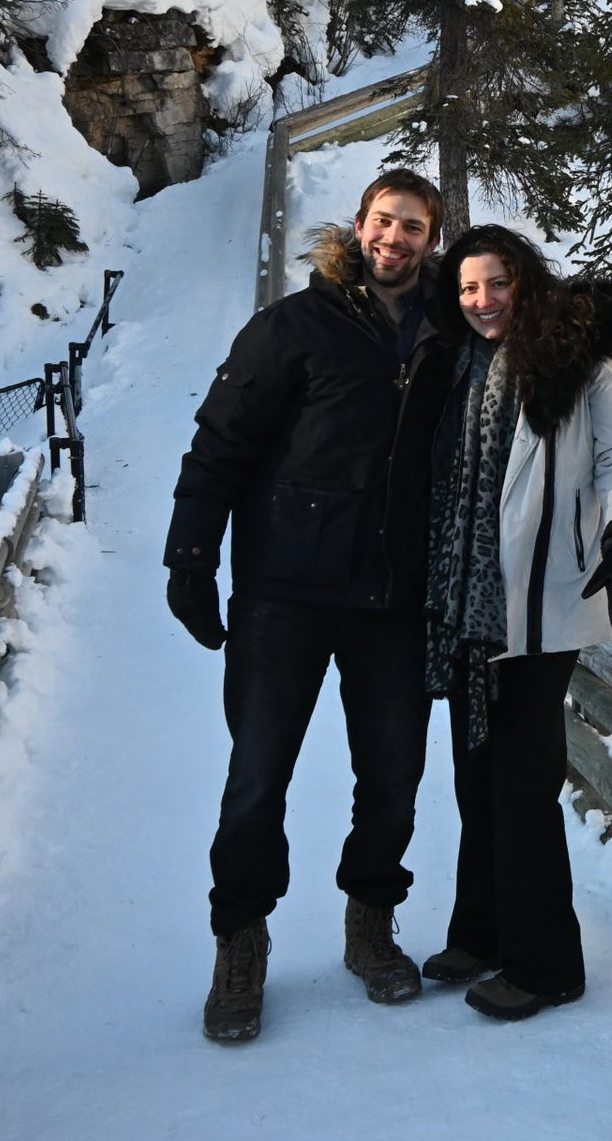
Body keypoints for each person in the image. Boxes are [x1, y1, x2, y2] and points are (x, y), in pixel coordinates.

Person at [162, 168, 452, 1044]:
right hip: (284, 593)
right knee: (258, 778)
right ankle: (240, 943)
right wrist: (191, 557)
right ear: (359, 226)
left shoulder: (449, 332)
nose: (395, 238)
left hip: (393, 596)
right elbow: (219, 442)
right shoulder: (291, 326)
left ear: (432, 239)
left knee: (394, 777)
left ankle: (370, 923)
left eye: (413, 227)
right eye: (384, 221)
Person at [417, 224, 612, 1021]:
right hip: (467, 601)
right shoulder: (457, 360)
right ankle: (482, 932)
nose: (482, 301)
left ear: (527, 279)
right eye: (467, 288)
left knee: (521, 780)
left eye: (497, 283)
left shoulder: (584, 357)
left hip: (545, 600)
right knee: (476, 775)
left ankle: (547, 966)